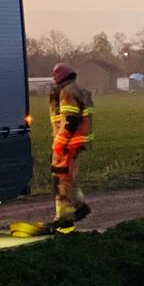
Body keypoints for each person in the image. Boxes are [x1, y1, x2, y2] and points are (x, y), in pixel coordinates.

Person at [49, 63, 94, 231]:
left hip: (68, 143)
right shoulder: (77, 90)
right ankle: (66, 215)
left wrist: (59, 144)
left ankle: (74, 210)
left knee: (62, 179)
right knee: (63, 178)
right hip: (74, 143)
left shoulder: (67, 92)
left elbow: (70, 121)